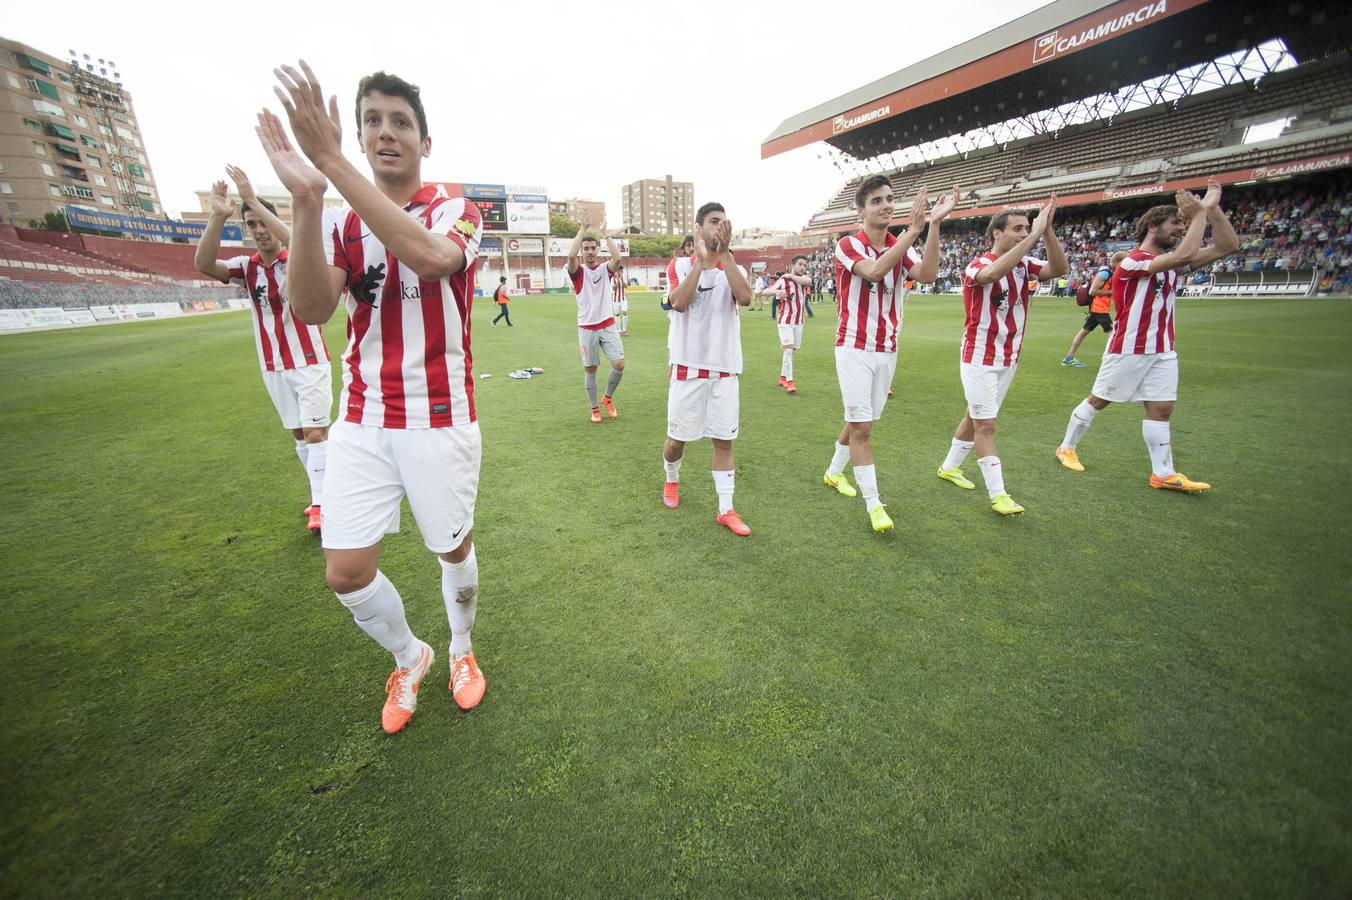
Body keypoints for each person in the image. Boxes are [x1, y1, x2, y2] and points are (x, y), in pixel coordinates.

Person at [259, 63, 488, 734]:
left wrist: (327, 160)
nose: (385, 133)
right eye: (372, 122)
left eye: (401, 123)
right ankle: (408, 655)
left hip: (439, 414)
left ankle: (462, 651)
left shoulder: (454, 207)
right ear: (360, 137)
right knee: (346, 572)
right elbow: (307, 308)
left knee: (453, 552)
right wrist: (305, 198)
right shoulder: (339, 224)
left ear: (425, 141)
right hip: (361, 417)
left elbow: (430, 258)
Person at [1055, 177, 1240, 491]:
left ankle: (1163, 473)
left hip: (1163, 347)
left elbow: (1228, 246)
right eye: (1175, 223)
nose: (1181, 229)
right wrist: (1198, 216)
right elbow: (1183, 256)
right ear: (1153, 226)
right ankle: (1066, 448)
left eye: (1184, 224)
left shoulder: (1167, 261)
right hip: (1129, 345)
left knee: (1161, 408)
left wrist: (1211, 209)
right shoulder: (1133, 261)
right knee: (1100, 399)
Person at [194, 167, 332, 535]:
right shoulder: (246, 268)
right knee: (301, 436)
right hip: (273, 366)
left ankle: (321, 504)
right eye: (251, 223)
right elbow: (204, 265)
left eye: (262, 221)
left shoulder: (296, 259)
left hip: (310, 360)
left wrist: (253, 199)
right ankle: (323, 494)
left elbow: (300, 240)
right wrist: (217, 216)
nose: (259, 229)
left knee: (316, 433)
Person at [823, 177, 960, 532]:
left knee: (861, 420)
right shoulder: (848, 244)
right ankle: (874, 505)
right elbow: (874, 270)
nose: (886, 205)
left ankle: (834, 472)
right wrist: (911, 233)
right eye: (877, 201)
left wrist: (933, 224)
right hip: (854, 345)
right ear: (862, 210)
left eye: (890, 199)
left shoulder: (903, 245)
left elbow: (927, 274)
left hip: (887, 348)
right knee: (863, 429)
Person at [935, 199, 1067, 515]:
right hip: (980, 356)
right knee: (987, 425)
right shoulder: (976, 265)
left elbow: (1059, 269)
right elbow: (994, 272)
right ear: (997, 233)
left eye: (1026, 227)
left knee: (976, 415)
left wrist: (1046, 233)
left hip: (1009, 357)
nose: (1024, 233)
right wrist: (1034, 236)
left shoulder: (1024, 264)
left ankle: (949, 467)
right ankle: (999, 495)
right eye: (1017, 229)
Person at [661, 202, 754, 535]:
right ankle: (671, 481)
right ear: (699, 228)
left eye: (724, 221)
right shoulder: (680, 264)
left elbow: (745, 298)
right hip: (687, 368)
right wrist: (700, 263)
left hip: (725, 369)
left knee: (723, 442)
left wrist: (724, 255)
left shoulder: (735, 268)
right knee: (676, 441)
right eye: (714, 221)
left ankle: (725, 508)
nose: (721, 226)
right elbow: (679, 302)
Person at [565, 218, 626, 423]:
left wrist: (606, 234)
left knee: (619, 364)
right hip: (587, 328)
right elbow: (571, 255)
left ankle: (607, 399)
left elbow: (617, 258)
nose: (590, 251)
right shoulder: (578, 272)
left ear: (597, 250)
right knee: (591, 369)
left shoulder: (604, 269)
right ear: (583, 251)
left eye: (593, 248)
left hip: (607, 324)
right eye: (587, 248)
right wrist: (582, 228)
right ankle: (594, 409)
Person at [1062, 251, 1125, 366]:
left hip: (1099, 308)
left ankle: (1069, 357)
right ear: (1118, 262)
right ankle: (1113, 360)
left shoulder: (1112, 273)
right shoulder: (1105, 274)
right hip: (1099, 308)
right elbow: (1093, 291)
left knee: (1084, 332)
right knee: (1112, 333)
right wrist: (1113, 292)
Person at [770, 255, 812, 393]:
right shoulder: (783, 281)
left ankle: (782, 377)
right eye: (800, 264)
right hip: (785, 322)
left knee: (791, 352)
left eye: (804, 265)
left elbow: (808, 281)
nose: (802, 267)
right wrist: (778, 291)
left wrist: (790, 276)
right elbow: (763, 292)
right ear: (793, 265)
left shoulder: (803, 279)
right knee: (788, 350)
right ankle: (790, 381)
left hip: (799, 322)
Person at [612, 262, 630, 335]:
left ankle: (625, 330)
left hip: (623, 299)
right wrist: (618, 280)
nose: (621, 272)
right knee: (617, 315)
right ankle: (619, 330)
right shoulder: (612, 279)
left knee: (625, 312)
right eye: (619, 270)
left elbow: (626, 286)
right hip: (615, 300)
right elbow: (613, 288)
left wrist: (621, 280)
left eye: (621, 270)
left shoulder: (623, 277)